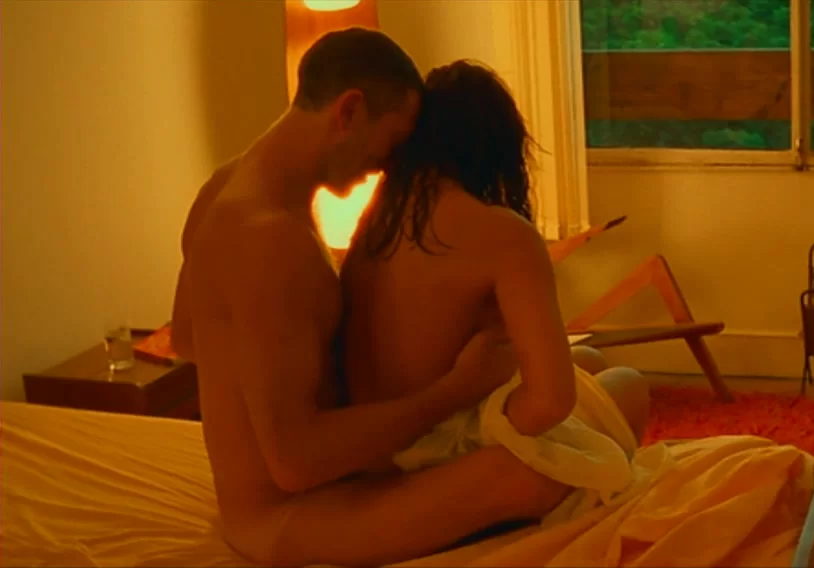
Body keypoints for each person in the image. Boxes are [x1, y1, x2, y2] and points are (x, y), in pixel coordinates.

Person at [170, 29, 571, 567]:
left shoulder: (223, 188)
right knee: (535, 474)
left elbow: (187, 338)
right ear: (349, 112)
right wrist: (454, 391)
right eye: (393, 142)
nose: (387, 167)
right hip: (289, 517)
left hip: (291, 495)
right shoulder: (271, 241)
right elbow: (296, 463)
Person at [342, 59, 651, 446]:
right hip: (437, 438)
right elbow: (550, 404)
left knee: (589, 361)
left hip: (381, 429)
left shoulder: (377, 217)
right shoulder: (503, 233)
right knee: (628, 383)